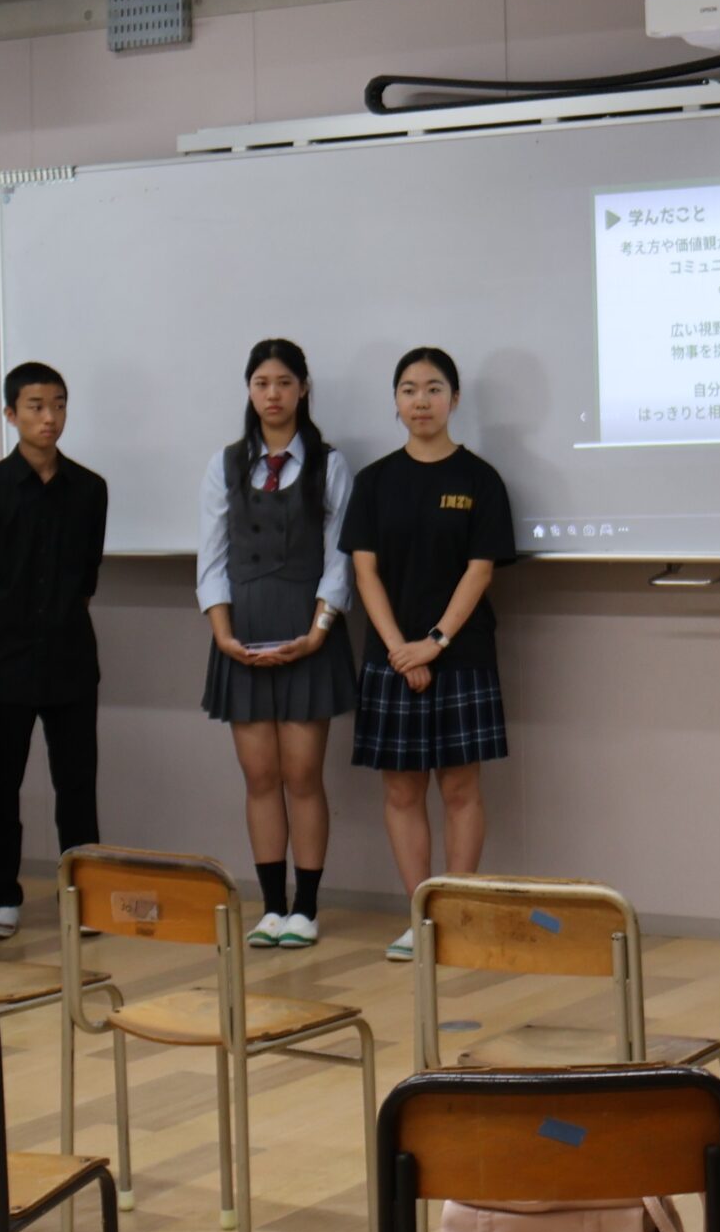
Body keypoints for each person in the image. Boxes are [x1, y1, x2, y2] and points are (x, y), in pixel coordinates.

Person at [340, 348, 518, 962]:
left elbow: (480, 570)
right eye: (410, 389)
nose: (422, 400)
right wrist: (400, 650)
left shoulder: (480, 479)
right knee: (401, 791)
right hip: (391, 657)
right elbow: (365, 573)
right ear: (395, 401)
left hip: (461, 654)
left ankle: (457, 915)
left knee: (461, 789)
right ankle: (420, 918)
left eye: (434, 388)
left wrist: (433, 643)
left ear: (455, 399)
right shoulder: (374, 482)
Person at [197, 338, 357, 950]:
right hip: (240, 633)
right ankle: (270, 907)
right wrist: (223, 634)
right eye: (262, 383)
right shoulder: (225, 464)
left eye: (284, 382)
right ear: (249, 389)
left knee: (302, 775)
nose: (273, 394)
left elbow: (340, 558)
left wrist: (318, 632)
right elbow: (212, 558)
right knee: (260, 776)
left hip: (307, 631)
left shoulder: (328, 464)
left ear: (303, 389)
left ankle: (306, 908)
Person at [0, 362, 109, 940]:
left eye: (59, 405)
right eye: (37, 406)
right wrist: (7, 624)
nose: (50, 418)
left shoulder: (89, 489)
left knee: (77, 784)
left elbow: (86, 578)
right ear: (11, 413)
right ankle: (2, 895)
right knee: (0, 784)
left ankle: (83, 895)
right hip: (4, 660)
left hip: (70, 658)